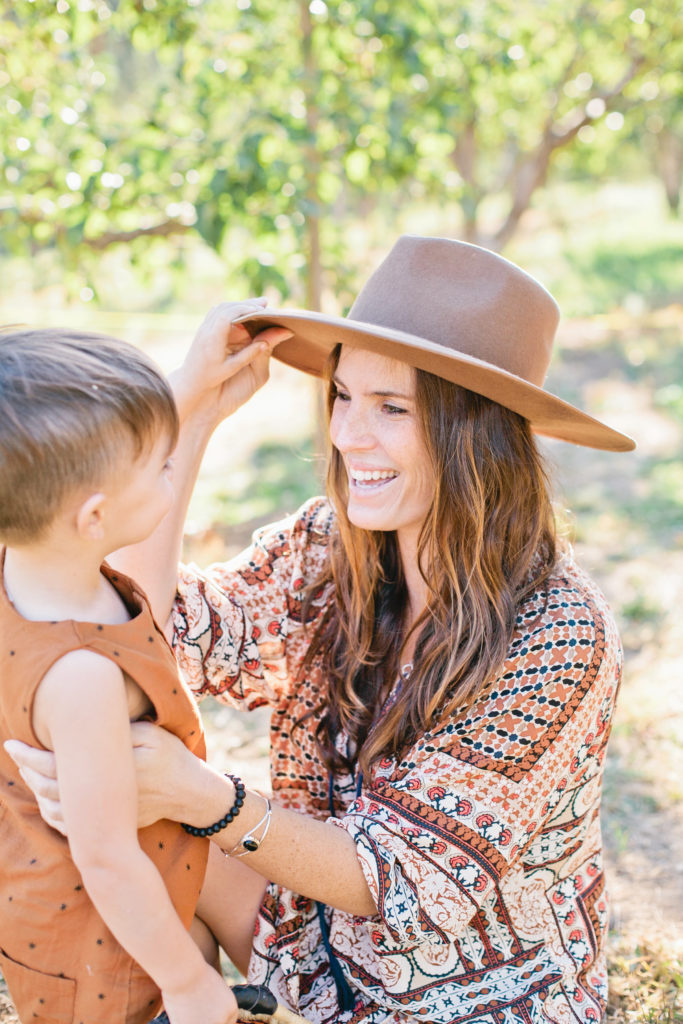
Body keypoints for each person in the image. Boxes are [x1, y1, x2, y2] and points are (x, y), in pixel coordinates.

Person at [7, 237, 635, 1024]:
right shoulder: (331, 548)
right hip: (320, 945)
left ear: (476, 433)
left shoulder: (558, 637)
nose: (347, 435)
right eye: (342, 396)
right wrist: (189, 410)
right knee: (115, 820)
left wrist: (198, 794)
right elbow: (155, 632)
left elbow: (400, 883)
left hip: (477, 997)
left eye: (391, 408)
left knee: (161, 805)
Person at [0, 325, 285, 1024]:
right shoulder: (82, 678)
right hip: (108, 952)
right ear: (94, 515)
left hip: (83, 905)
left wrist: (189, 392)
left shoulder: (29, 572)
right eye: (161, 465)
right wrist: (187, 983)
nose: (173, 468)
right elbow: (105, 859)